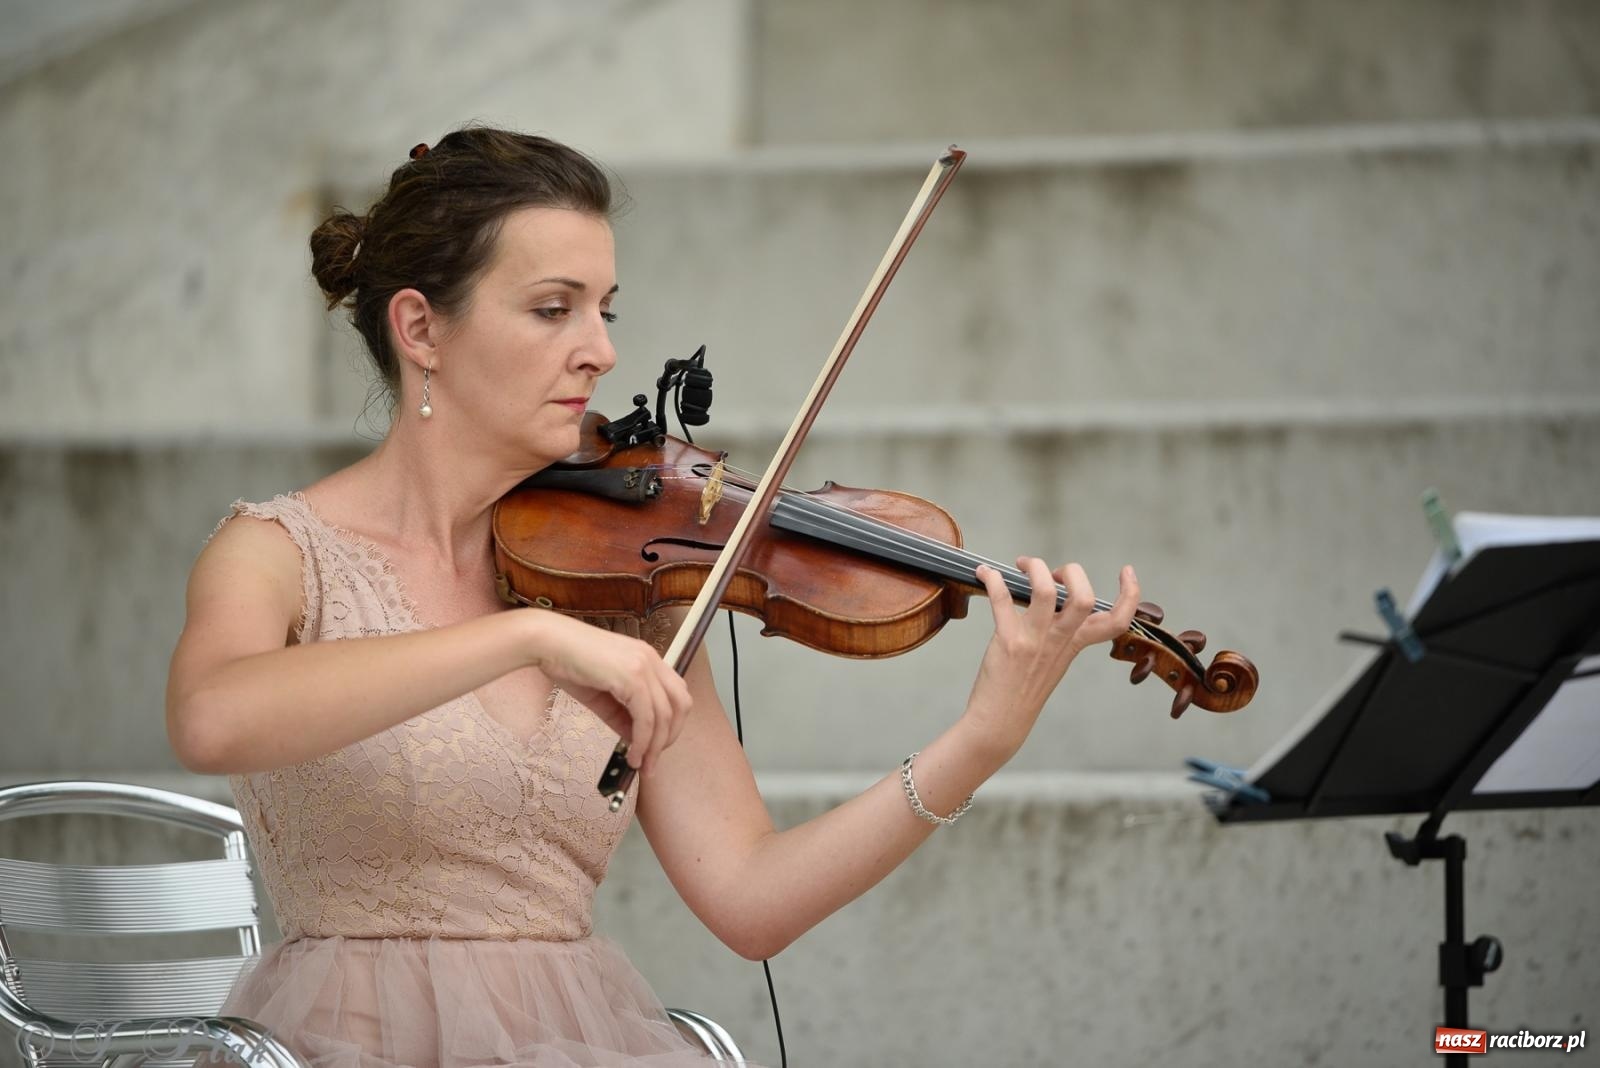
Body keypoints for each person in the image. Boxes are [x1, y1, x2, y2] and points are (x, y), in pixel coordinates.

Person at [165, 125, 1140, 1068]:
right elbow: (212, 718)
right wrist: (521, 638)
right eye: (554, 309)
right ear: (421, 328)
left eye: (607, 311)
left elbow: (751, 899)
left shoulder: (619, 582)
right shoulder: (277, 555)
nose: (600, 352)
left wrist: (982, 739)